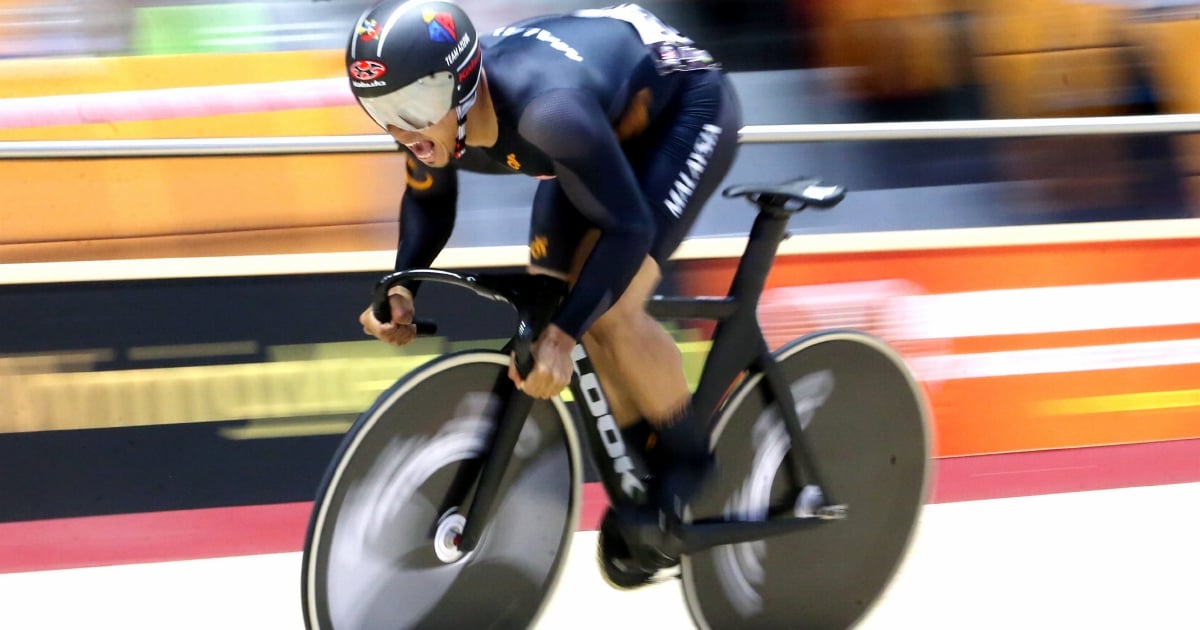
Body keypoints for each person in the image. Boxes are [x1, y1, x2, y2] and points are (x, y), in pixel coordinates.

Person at [351, 0, 741, 578]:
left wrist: (563, 336)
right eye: (380, 109)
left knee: (605, 311)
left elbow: (628, 227)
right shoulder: (423, 117)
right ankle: (643, 478)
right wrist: (403, 283)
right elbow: (430, 204)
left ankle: (689, 468)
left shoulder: (545, 113)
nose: (402, 128)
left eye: (411, 107)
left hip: (681, 107)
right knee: (557, 298)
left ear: (460, 85)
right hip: (593, 123)